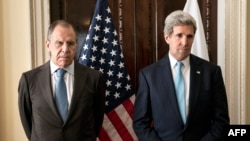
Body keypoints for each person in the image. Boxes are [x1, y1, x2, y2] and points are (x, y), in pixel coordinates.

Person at [133, 10, 229, 141]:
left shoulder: (211, 72)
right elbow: (140, 123)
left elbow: (221, 121)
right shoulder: (149, 75)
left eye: (189, 36)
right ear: (167, 37)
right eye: (179, 35)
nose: (185, 42)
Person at [18, 20, 106, 141]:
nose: (65, 49)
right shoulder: (29, 80)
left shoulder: (94, 79)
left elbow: (97, 121)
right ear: (48, 45)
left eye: (70, 43)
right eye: (59, 43)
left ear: (76, 45)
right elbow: (28, 125)